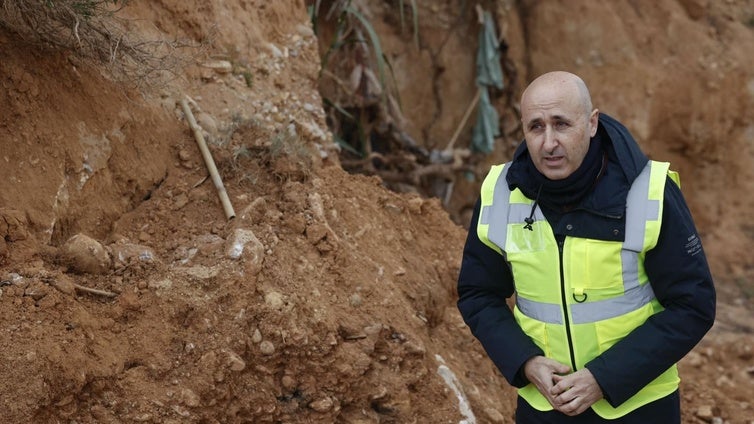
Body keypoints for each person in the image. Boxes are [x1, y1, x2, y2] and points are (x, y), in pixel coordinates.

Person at [456, 71, 716, 423]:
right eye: (536, 127)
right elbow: (477, 294)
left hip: (639, 407)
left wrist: (604, 378)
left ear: (592, 123)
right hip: (544, 407)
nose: (548, 143)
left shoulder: (648, 191)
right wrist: (526, 362)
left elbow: (693, 304)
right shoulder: (500, 194)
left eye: (561, 124)